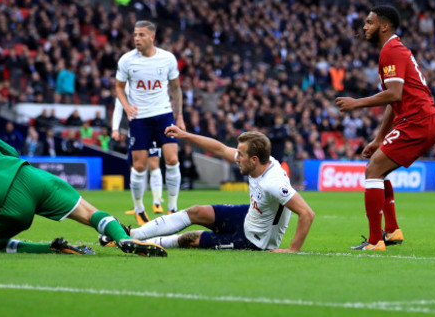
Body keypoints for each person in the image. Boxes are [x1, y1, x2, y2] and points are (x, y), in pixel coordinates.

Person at [0, 107, 166, 257]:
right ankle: (124, 240)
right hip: (31, 175)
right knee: (89, 212)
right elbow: (11, 153)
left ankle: (51, 249)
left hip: (10, 203)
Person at [102, 127, 315, 253]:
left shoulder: (273, 182)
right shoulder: (260, 164)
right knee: (197, 211)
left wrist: (292, 249)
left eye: (240, 155)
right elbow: (220, 148)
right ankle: (130, 234)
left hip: (254, 241)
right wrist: (185, 135)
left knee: (192, 238)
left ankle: (138, 243)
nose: (236, 159)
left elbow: (307, 213)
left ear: (254, 159)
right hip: (250, 215)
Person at [336, 5, 435, 251]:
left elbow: (393, 94)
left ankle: (375, 241)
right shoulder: (393, 50)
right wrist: (378, 139)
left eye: (369, 23)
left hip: (419, 120)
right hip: (419, 119)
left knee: (372, 171)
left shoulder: (391, 51)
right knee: (378, 166)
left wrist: (357, 103)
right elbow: (395, 102)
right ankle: (392, 231)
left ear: (384, 26)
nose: (364, 27)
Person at [115, 21, 184, 225]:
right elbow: (119, 87)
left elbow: (176, 89)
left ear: (152, 37)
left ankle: (172, 208)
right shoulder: (127, 60)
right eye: (135, 34)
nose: (137, 38)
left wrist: (179, 116)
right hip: (140, 119)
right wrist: (127, 106)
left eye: (141, 35)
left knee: (172, 159)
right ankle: (139, 209)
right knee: (138, 165)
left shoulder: (167, 59)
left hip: (163, 114)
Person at [112, 84, 165, 222]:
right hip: (135, 133)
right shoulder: (124, 87)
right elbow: (118, 108)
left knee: (154, 164)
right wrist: (115, 129)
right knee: (135, 168)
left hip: (152, 130)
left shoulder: (147, 83)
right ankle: (137, 206)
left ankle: (157, 202)